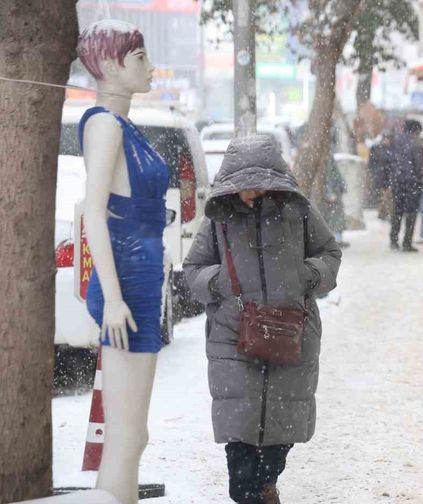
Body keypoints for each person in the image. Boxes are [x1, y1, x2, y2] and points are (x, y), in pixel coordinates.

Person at [183, 135, 342, 504]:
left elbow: (329, 252)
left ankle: (267, 480)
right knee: (239, 434)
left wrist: (308, 276)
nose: (252, 192)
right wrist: (220, 282)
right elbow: (193, 268)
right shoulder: (219, 220)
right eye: (244, 185)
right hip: (232, 335)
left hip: (292, 329)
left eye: (259, 184)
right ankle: (249, 492)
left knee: (281, 428)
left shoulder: (297, 211)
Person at [77, 20, 166, 504]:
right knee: (127, 437)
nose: (150, 68)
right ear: (110, 66)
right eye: (139, 59)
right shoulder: (106, 125)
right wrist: (111, 297)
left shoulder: (121, 124)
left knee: (134, 436)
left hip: (140, 281)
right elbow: (93, 211)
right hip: (126, 286)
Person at [389, 119, 423, 251]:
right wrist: (420, 179)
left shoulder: (396, 142)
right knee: (411, 213)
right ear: (416, 130)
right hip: (412, 183)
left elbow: (391, 161)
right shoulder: (415, 143)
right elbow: (418, 164)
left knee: (397, 212)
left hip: (397, 182)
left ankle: (393, 240)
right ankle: (407, 242)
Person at [368, 132, 394, 220]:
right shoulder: (377, 148)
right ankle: (384, 213)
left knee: (386, 195)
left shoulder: (391, 149)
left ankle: (383, 212)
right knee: (384, 195)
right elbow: (371, 162)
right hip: (381, 175)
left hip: (388, 176)